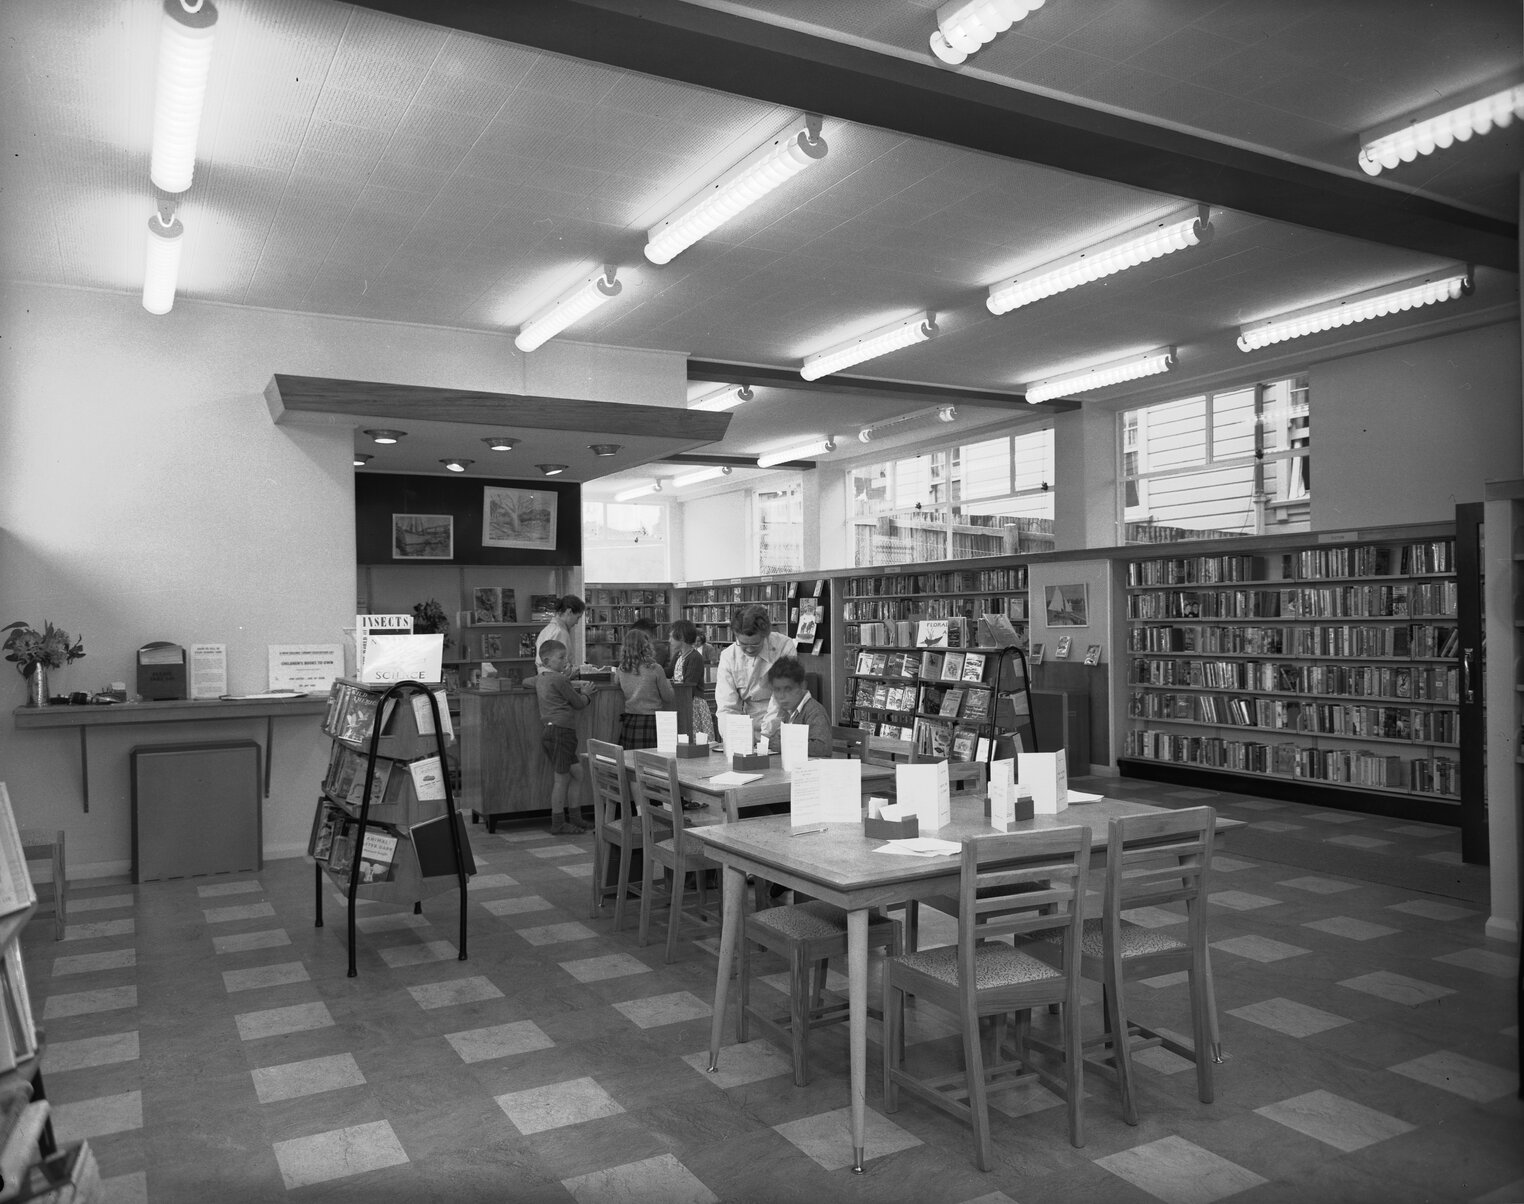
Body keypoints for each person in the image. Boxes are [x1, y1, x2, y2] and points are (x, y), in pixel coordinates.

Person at [534, 638, 596, 834]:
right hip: (562, 732)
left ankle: (575, 817)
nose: (565, 661)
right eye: (561, 658)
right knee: (561, 779)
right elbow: (578, 703)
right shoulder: (560, 679)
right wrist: (586, 694)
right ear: (546, 660)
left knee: (577, 773)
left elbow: (526, 681)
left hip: (553, 732)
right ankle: (558, 822)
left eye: (566, 657)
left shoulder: (541, 678)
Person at [715, 603, 797, 744]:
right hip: (746, 726)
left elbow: (780, 700)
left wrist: (765, 738)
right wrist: (734, 737)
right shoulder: (728, 656)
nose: (749, 650)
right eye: (743, 644)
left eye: (755, 644)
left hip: (782, 725)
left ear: (766, 635)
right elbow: (727, 706)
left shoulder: (784, 647)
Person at [615, 627, 675, 750]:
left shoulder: (621, 669)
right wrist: (668, 683)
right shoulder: (655, 668)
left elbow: (616, 682)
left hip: (630, 719)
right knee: (653, 760)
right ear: (646, 646)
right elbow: (668, 697)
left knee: (631, 760)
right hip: (652, 720)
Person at [765, 655, 831, 757]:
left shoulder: (814, 711)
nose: (782, 696)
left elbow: (822, 748)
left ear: (802, 686)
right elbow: (776, 738)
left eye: (788, 689)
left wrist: (784, 745)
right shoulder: (788, 710)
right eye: (777, 690)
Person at [668, 618, 718, 742]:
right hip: (682, 701)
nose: (669, 641)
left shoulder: (695, 657)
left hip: (692, 704)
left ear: (682, 638)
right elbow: (669, 672)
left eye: (672, 637)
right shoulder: (678, 655)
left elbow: (689, 685)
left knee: (694, 738)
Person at [535, 595, 585, 671]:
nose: (577, 622)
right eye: (577, 617)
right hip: (555, 679)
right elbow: (561, 666)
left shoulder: (547, 630)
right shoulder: (560, 632)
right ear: (569, 612)